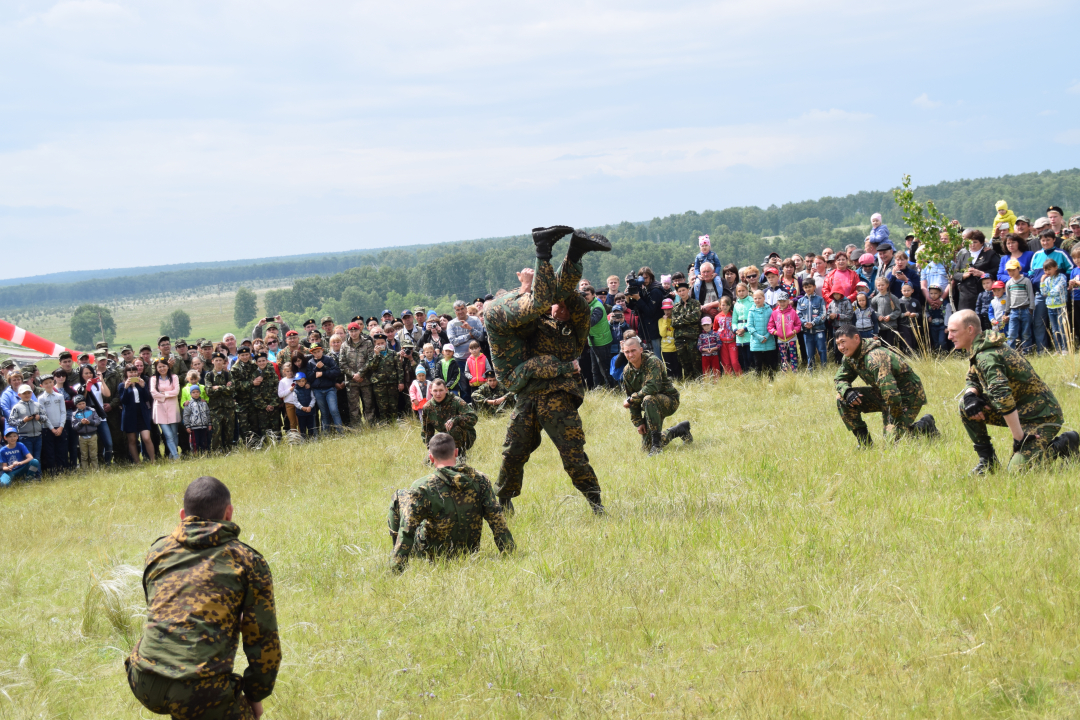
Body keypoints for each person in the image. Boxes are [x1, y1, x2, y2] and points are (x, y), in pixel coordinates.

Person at [126, 476, 280, 720]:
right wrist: (255, 696)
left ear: (182, 515)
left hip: (143, 678)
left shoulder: (158, 550)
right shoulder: (248, 561)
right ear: (228, 513)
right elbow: (263, 641)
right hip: (200, 689)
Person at [947, 309, 1078, 474]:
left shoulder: (987, 355)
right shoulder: (981, 346)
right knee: (966, 406)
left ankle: (1063, 444)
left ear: (970, 330)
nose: (949, 336)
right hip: (1019, 411)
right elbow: (972, 378)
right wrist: (970, 395)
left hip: (1041, 415)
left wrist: (1019, 438)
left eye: (953, 331)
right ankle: (987, 462)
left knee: (1017, 472)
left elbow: (1003, 398)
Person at [387, 433, 514, 573]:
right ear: (456, 452)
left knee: (400, 496)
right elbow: (496, 518)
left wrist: (396, 567)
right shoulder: (480, 479)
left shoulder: (423, 486)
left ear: (431, 457)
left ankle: (396, 555)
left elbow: (408, 528)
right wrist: (509, 551)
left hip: (433, 552)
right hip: (469, 549)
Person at [832, 324, 937, 448]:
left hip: (907, 396)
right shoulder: (850, 358)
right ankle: (865, 444)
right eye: (838, 344)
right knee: (842, 398)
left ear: (856, 338)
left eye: (843, 342)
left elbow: (891, 394)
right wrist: (848, 392)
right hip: (885, 394)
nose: (841, 347)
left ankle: (924, 425)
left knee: (892, 442)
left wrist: (895, 421)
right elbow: (840, 378)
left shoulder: (874, 357)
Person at [620, 337, 692, 456]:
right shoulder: (627, 371)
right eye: (627, 352)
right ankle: (679, 430)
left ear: (641, 349)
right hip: (650, 406)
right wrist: (638, 422)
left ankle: (657, 447)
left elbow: (652, 388)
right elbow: (631, 398)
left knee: (648, 398)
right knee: (646, 447)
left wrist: (632, 399)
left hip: (669, 400)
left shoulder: (653, 362)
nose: (630, 354)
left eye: (633, 351)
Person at [420, 378, 478, 459]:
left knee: (453, 429)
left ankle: (460, 456)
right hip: (444, 438)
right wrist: (431, 448)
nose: (438, 393)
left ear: (446, 390)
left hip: (466, 436)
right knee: (428, 462)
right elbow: (426, 431)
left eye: (441, 390)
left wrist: (456, 420)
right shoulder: (427, 407)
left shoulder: (456, 401)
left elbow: (473, 418)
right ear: (430, 391)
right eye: (435, 391)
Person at [952, 229, 1000, 312]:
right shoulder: (964, 255)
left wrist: (982, 274)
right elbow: (955, 274)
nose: (972, 245)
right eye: (970, 242)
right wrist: (963, 275)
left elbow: (997, 270)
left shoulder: (990, 254)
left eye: (975, 242)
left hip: (984, 294)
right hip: (966, 296)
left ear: (982, 243)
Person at [447, 301, 485, 403]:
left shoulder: (475, 320)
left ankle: (480, 405)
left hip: (476, 359)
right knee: (463, 386)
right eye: (457, 310)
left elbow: (481, 337)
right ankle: (467, 408)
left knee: (478, 383)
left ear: (466, 309)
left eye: (462, 309)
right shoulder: (451, 324)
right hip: (461, 359)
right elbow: (453, 341)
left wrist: (470, 329)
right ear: (455, 311)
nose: (460, 312)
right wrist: (469, 335)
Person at [363, 333, 404, 423]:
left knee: (393, 404)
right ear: (374, 344)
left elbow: (399, 369)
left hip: (392, 383)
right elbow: (372, 367)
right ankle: (384, 423)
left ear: (386, 343)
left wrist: (401, 382)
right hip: (379, 384)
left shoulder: (393, 353)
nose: (380, 345)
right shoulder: (372, 355)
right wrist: (376, 355)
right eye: (378, 343)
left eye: (382, 343)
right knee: (382, 406)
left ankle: (393, 422)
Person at [119, 364, 156, 463]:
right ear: (126, 373)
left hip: (142, 413)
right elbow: (123, 401)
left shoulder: (141, 383)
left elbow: (146, 398)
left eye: (135, 371)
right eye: (130, 372)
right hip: (129, 415)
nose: (133, 374)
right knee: (132, 440)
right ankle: (137, 462)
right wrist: (126, 388)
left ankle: (153, 461)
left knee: (146, 438)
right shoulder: (122, 385)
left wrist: (143, 387)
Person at [582, 285, 615, 389]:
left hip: (602, 342)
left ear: (593, 295)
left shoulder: (597, 306)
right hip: (593, 340)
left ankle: (611, 389)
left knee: (604, 368)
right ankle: (598, 389)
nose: (585, 297)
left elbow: (592, 322)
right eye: (583, 295)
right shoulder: (586, 304)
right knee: (595, 369)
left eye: (587, 294)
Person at [306, 343, 343, 432]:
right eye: (314, 352)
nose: (317, 354)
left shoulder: (329, 359)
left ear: (322, 350)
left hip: (330, 389)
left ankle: (340, 431)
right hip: (318, 390)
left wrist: (324, 371)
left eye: (318, 351)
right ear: (312, 353)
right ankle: (326, 433)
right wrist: (316, 368)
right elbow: (309, 377)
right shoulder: (310, 363)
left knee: (334, 410)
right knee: (324, 412)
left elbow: (337, 372)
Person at [150, 359, 182, 459]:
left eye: (164, 366)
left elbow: (176, 391)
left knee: (174, 433)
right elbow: (153, 393)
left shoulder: (174, 377)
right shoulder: (154, 379)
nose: (162, 368)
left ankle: (172, 454)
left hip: (173, 408)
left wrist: (163, 394)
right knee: (168, 435)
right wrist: (167, 395)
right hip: (160, 409)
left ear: (168, 367)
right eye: (159, 367)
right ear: (156, 368)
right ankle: (176, 456)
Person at [203, 354, 235, 452]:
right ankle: (216, 452)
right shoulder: (209, 375)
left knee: (229, 431)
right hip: (215, 409)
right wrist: (225, 387)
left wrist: (218, 387)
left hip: (228, 408)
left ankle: (229, 450)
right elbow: (208, 391)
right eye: (216, 360)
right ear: (212, 361)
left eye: (220, 360)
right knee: (216, 432)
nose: (218, 362)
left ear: (223, 362)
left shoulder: (228, 374)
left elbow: (232, 389)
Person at [671, 282, 702, 379]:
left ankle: (699, 381)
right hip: (680, 339)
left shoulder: (695, 303)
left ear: (688, 290)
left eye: (683, 290)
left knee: (696, 361)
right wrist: (688, 319)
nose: (682, 292)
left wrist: (680, 319)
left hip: (693, 337)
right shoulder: (676, 307)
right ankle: (689, 381)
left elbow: (696, 317)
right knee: (684, 361)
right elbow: (673, 323)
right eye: (679, 291)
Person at [1003, 259, 1035, 352]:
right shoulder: (1008, 283)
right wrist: (1006, 311)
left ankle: (1026, 351)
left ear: (1019, 269)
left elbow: (1030, 295)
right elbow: (1008, 298)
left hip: (1025, 309)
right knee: (1012, 333)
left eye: (1013, 270)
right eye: (1009, 270)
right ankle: (1011, 353)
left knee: (1026, 333)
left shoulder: (1026, 281)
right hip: (1013, 311)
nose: (1011, 272)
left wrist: (1031, 308)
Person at [9, 383, 44, 464]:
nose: (27, 395)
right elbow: (11, 421)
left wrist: (39, 418)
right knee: (29, 458)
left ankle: (37, 475)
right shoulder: (16, 407)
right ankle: (30, 475)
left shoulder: (37, 405)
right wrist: (23, 421)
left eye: (29, 393)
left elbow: (45, 417)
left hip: (38, 436)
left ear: (32, 393)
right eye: (24, 393)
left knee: (37, 457)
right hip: (25, 437)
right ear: (19, 395)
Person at [746, 289, 778, 378]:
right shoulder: (751, 311)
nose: (757, 300)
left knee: (770, 363)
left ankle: (771, 380)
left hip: (769, 340)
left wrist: (767, 336)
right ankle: (758, 381)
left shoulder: (769, 310)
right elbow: (750, 326)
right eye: (755, 298)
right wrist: (759, 337)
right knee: (757, 364)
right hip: (756, 342)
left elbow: (772, 324)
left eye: (759, 298)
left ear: (764, 298)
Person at [769, 291, 802, 372]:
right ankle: (785, 371)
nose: (782, 303)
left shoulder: (793, 312)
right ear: (777, 302)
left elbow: (798, 324)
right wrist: (775, 332)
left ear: (788, 301)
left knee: (793, 355)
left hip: (791, 337)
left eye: (784, 301)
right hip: (781, 338)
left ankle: (795, 370)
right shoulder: (774, 313)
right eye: (780, 301)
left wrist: (794, 331)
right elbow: (770, 326)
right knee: (783, 356)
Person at [71, 395, 102, 470]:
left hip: (92, 436)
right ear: (76, 405)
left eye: (83, 403)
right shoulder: (75, 414)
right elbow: (74, 427)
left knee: (93, 455)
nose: (82, 405)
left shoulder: (92, 410)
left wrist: (90, 422)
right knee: (84, 456)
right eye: (79, 404)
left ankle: (95, 469)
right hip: (82, 437)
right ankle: (85, 471)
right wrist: (81, 423)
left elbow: (98, 421)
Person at [183, 385, 211, 455]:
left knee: (203, 441)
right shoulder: (188, 404)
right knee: (195, 442)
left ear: (200, 393)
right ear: (190, 394)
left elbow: (208, 413)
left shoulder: (204, 403)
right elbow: (186, 416)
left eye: (197, 392)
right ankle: (196, 455)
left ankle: (204, 454)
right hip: (194, 427)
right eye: (193, 392)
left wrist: (209, 423)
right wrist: (187, 426)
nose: (195, 393)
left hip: (204, 426)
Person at [658, 298, 679, 377]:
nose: (667, 312)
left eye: (669, 309)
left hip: (675, 347)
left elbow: (675, 333)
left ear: (673, 308)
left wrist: (669, 333)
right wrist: (665, 321)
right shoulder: (660, 320)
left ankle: (680, 382)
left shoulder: (676, 319)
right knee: (669, 369)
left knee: (677, 368)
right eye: (665, 310)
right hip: (666, 348)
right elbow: (663, 334)